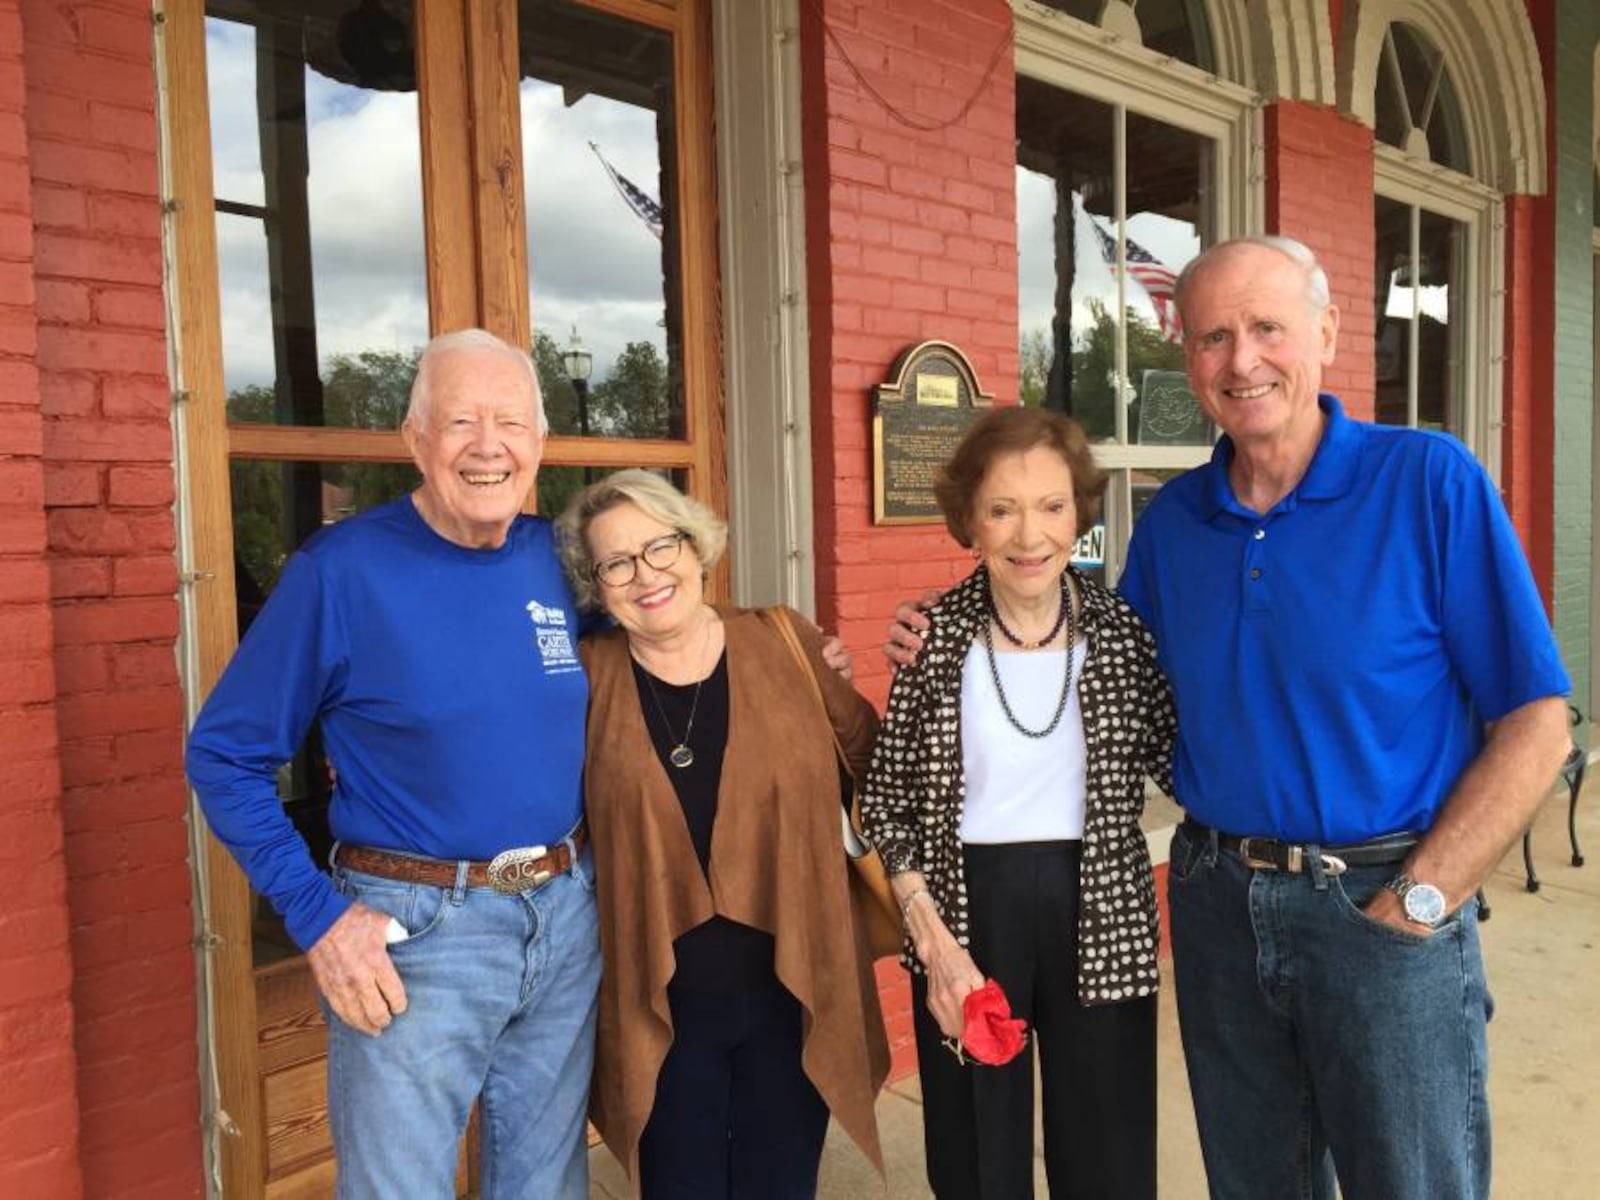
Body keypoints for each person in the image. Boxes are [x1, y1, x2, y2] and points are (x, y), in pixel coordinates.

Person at [891, 236, 1574, 1200]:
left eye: (1267, 328)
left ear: (1327, 333)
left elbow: (1538, 722)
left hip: (1381, 899)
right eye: (1213, 337)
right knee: (1255, 1184)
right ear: (1190, 364)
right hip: (1218, 904)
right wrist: (945, 639)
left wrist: (1424, 898)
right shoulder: (1176, 525)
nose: (1242, 360)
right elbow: (1097, 669)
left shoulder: (1428, 482)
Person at [187, 329, 599, 1199]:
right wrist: (318, 918)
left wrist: (795, 655)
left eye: (511, 423)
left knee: (544, 1187)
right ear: (416, 440)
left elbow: (669, 643)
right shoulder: (342, 572)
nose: (488, 446)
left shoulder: (559, 562)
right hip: (417, 935)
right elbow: (224, 754)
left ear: (540, 444)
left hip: (563, 916)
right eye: (460, 422)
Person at [861, 406, 1176, 1199]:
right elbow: (888, 809)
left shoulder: (1123, 636)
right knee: (976, 1156)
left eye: (1051, 505)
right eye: (1001, 509)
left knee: (1107, 1152)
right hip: (967, 913)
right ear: (969, 522)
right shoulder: (931, 640)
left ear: (1080, 514)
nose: (1029, 534)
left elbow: (1181, 763)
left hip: (1099, 910)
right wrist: (934, 946)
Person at [555, 469, 889, 1198]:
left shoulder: (785, 641)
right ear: (597, 585)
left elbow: (875, 759)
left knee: (780, 1184)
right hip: (661, 1004)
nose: (646, 574)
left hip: (790, 987)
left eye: (660, 546)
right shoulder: (587, 677)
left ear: (696, 545)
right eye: (617, 562)